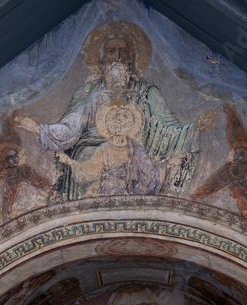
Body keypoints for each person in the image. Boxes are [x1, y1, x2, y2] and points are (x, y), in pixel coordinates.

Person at [18, 21, 216, 200]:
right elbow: (71, 127)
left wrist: (193, 129)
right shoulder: (88, 93)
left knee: (139, 161)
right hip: (92, 152)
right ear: (103, 58)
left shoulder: (147, 93)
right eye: (111, 52)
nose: (118, 58)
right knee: (87, 157)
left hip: (135, 150)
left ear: (132, 57)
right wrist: (40, 130)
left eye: (123, 51)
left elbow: (166, 130)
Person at [56, 101, 182, 197]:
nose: (119, 128)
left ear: (129, 127)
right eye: (115, 124)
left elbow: (149, 172)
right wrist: (71, 162)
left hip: (129, 191)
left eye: (124, 124)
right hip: (107, 191)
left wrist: (167, 165)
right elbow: (93, 169)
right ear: (110, 126)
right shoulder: (105, 148)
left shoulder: (135, 149)